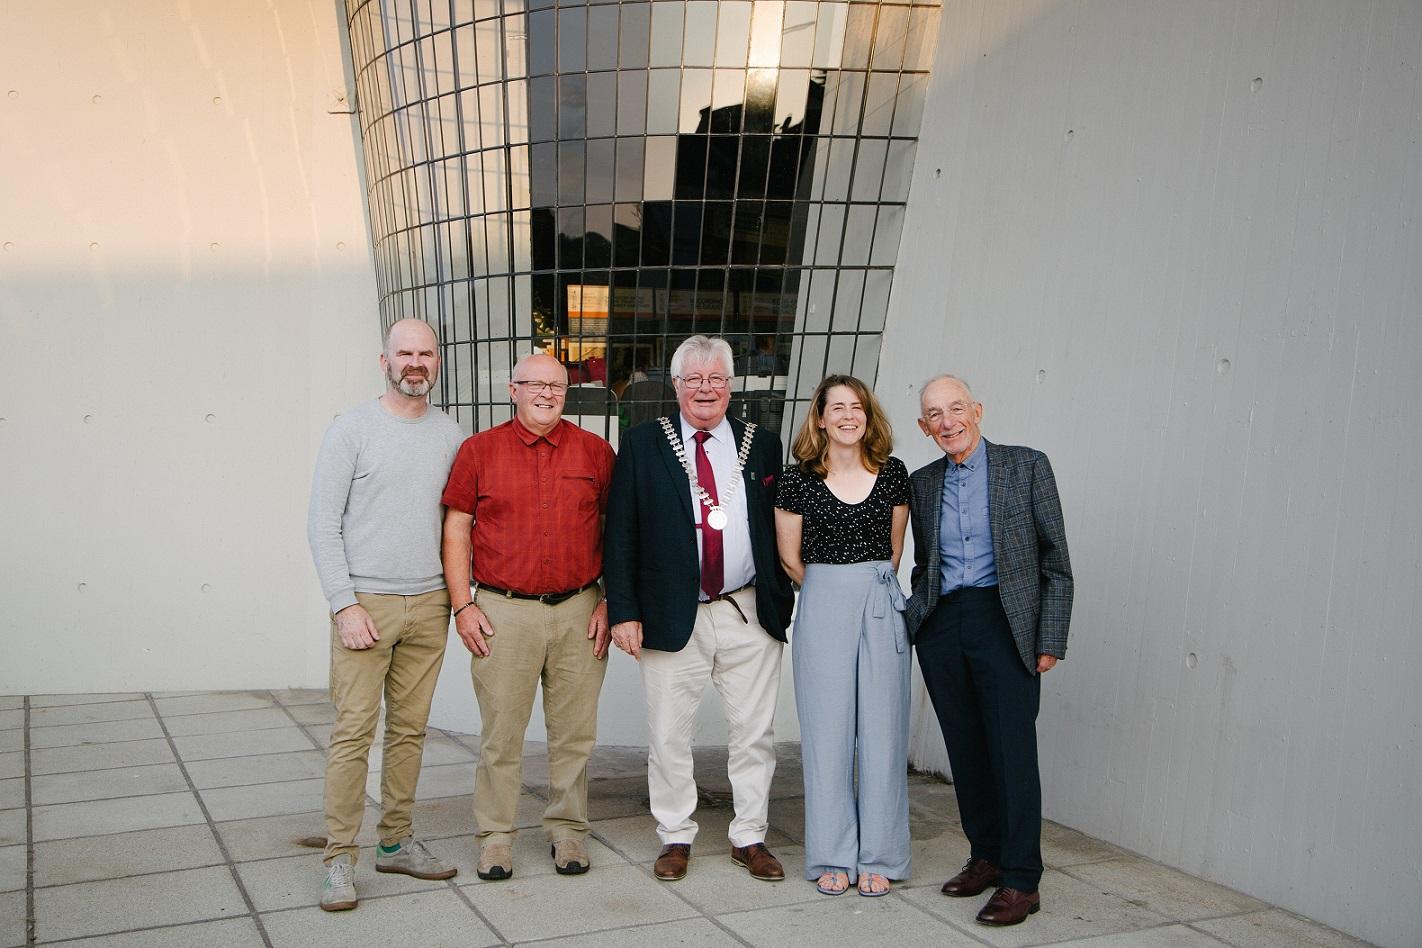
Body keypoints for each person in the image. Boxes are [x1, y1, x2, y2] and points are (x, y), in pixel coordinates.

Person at [604, 335, 794, 883]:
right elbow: (621, 532)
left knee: (755, 732)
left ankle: (750, 835)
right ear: (676, 385)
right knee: (668, 734)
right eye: (694, 379)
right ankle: (675, 834)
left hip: (747, 610)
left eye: (716, 379)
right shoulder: (642, 443)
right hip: (670, 611)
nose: (705, 389)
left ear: (730, 385)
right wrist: (624, 610)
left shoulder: (762, 443)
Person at [306, 318, 465, 911]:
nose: (415, 363)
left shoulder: (450, 434)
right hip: (365, 604)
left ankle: (395, 843)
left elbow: (458, 524)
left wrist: (457, 598)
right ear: (385, 361)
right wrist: (343, 604)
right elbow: (322, 524)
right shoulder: (351, 430)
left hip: (429, 605)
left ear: (437, 362)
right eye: (405, 353)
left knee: (410, 731)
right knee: (353, 734)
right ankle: (338, 860)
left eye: (425, 353)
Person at [905, 374, 1073, 926]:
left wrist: (1048, 638)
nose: (947, 421)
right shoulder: (923, 482)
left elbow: (1056, 564)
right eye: (935, 414)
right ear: (924, 427)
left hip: (1006, 621)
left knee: (1012, 752)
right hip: (945, 624)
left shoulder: (1026, 465)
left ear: (977, 410)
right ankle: (987, 856)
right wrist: (916, 621)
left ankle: (1023, 879)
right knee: (966, 748)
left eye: (956, 408)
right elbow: (925, 564)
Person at [440, 353, 616, 881]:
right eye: (534, 384)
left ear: (568, 392)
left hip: (581, 610)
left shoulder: (595, 452)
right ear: (512, 389)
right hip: (502, 611)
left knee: (574, 734)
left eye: (556, 385)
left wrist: (612, 600)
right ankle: (495, 837)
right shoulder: (478, 451)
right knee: (501, 734)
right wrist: (462, 605)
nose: (546, 393)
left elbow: (618, 531)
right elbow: (456, 532)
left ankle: (568, 832)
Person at [774, 375, 911, 897]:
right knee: (828, 733)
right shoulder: (797, 480)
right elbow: (791, 558)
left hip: (880, 600)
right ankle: (832, 855)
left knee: (883, 731)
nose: (848, 415)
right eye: (838, 408)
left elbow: (895, 551)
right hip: (822, 600)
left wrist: (863, 588)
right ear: (821, 418)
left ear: (868, 415)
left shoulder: (893, 474)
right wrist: (834, 591)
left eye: (857, 407)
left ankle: (881, 855)